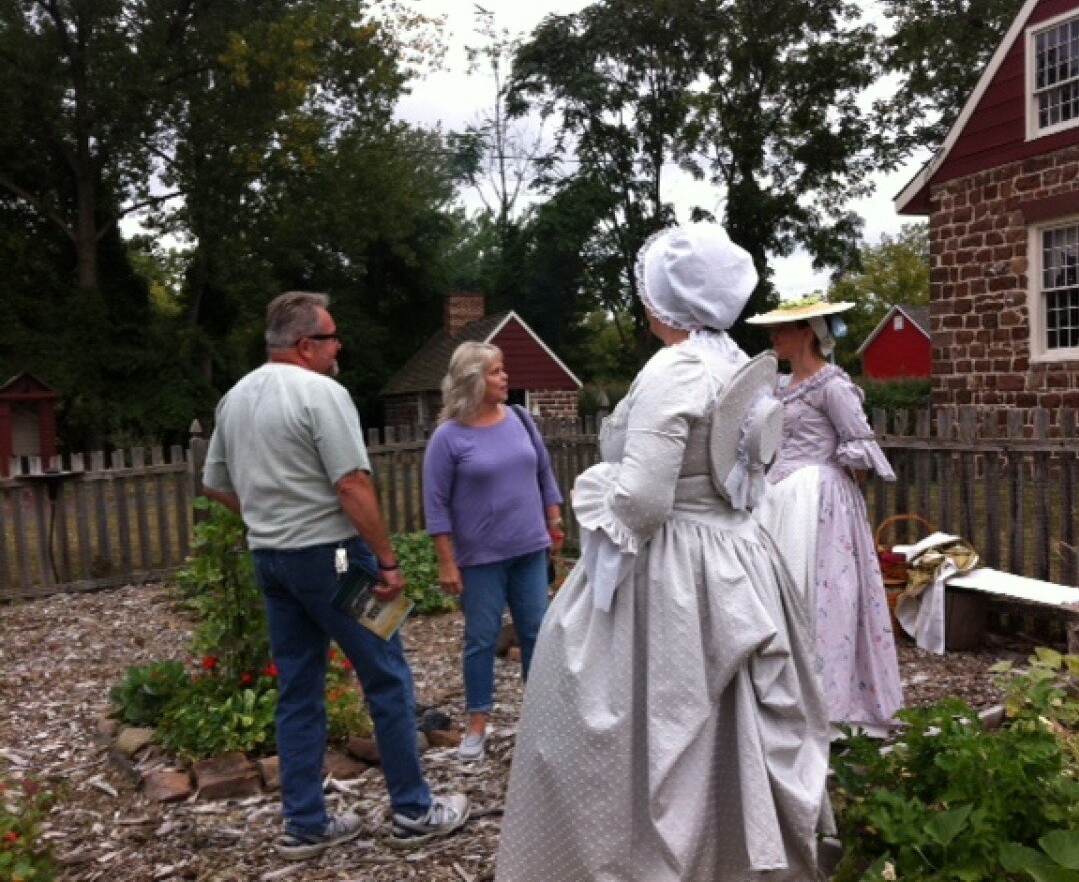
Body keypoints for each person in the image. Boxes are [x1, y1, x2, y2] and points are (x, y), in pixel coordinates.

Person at [495, 223, 832, 882]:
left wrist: (595, 497)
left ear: (665, 298)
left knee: (654, 726)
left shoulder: (674, 369)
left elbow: (644, 499)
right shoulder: (740, 362)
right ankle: (734, 854)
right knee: (733, 730)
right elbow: (746, 475)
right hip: (739, 556)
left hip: (675, 568)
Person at [201, 291, 469, 860]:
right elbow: (351, 485)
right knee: (388, 678)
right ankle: (413, 810)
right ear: (304, 346)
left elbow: (215, 484)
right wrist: (390, 563)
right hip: (338, 561)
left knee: (298, 692)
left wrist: (267, 518)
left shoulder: (235, 398)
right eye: (330, 337)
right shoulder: (323, 394)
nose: (338, 345)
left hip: (272, 561)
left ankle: (305, 823)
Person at [747, 298, 904, 734]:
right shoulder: (774, 386)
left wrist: (828, 474)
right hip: (778, 500)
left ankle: (833, 706)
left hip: (819, 503)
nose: (773, 338)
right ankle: (783, 702)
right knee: (780, 597)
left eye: (782, 331)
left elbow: (860, 444)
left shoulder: (832, 385)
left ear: (806, 333)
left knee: (824, 597)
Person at [421, 341, 564, 763]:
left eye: (503, 370)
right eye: (497, 371)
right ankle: (477, 725)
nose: (505, 377)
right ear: (473, 380)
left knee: (537, 634)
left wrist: (554, 524)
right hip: (481, 558)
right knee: (481, 640)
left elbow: (544, 474)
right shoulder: (448, 438)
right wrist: (447, 561)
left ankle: (541, 722)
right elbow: (435, 504)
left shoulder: (520, 419)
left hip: (530, 550)